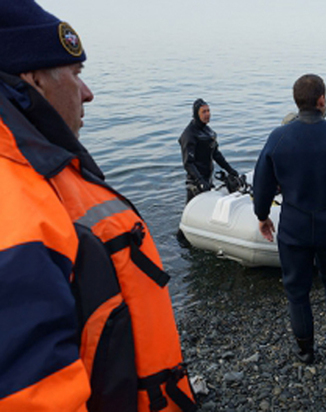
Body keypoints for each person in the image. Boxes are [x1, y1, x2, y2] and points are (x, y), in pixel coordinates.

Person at [0, 1, 196, 411]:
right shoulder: (18, 204)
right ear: (34, 80)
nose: (87, 92)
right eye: (75, 74)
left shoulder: (40, 176)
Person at [253, 74, 326, 364]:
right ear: (322, 100)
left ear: (297, 101)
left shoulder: (278, 138)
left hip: (294, 225)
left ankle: (306, 351)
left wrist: (262, 215)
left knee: (296, 289)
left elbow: (262, 183)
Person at [178, 98, 239, 203]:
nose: (207, 114)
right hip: (195, 182)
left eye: (208, 111)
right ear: (196, 114)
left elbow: (216, 154)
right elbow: (188, 163)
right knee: (193, 207)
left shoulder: (208, 132)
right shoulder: (189, 135)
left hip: (207, 178)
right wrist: (200, 181)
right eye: (203, 112)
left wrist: (230, 170)